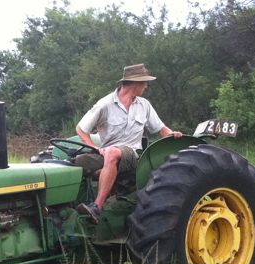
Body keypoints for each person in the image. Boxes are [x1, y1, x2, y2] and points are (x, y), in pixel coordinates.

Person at [75, 63, 182, 222]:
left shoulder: (144, 105)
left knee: (111, 152)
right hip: (109, 154)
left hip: (134, 155)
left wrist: (172, 134)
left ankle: (96, 207)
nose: (146, 86)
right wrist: (95, 148)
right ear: (135, 84)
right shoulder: (105, 104)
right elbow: (81, 128)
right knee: (75, 161)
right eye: (144, 83)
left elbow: (160, 128)